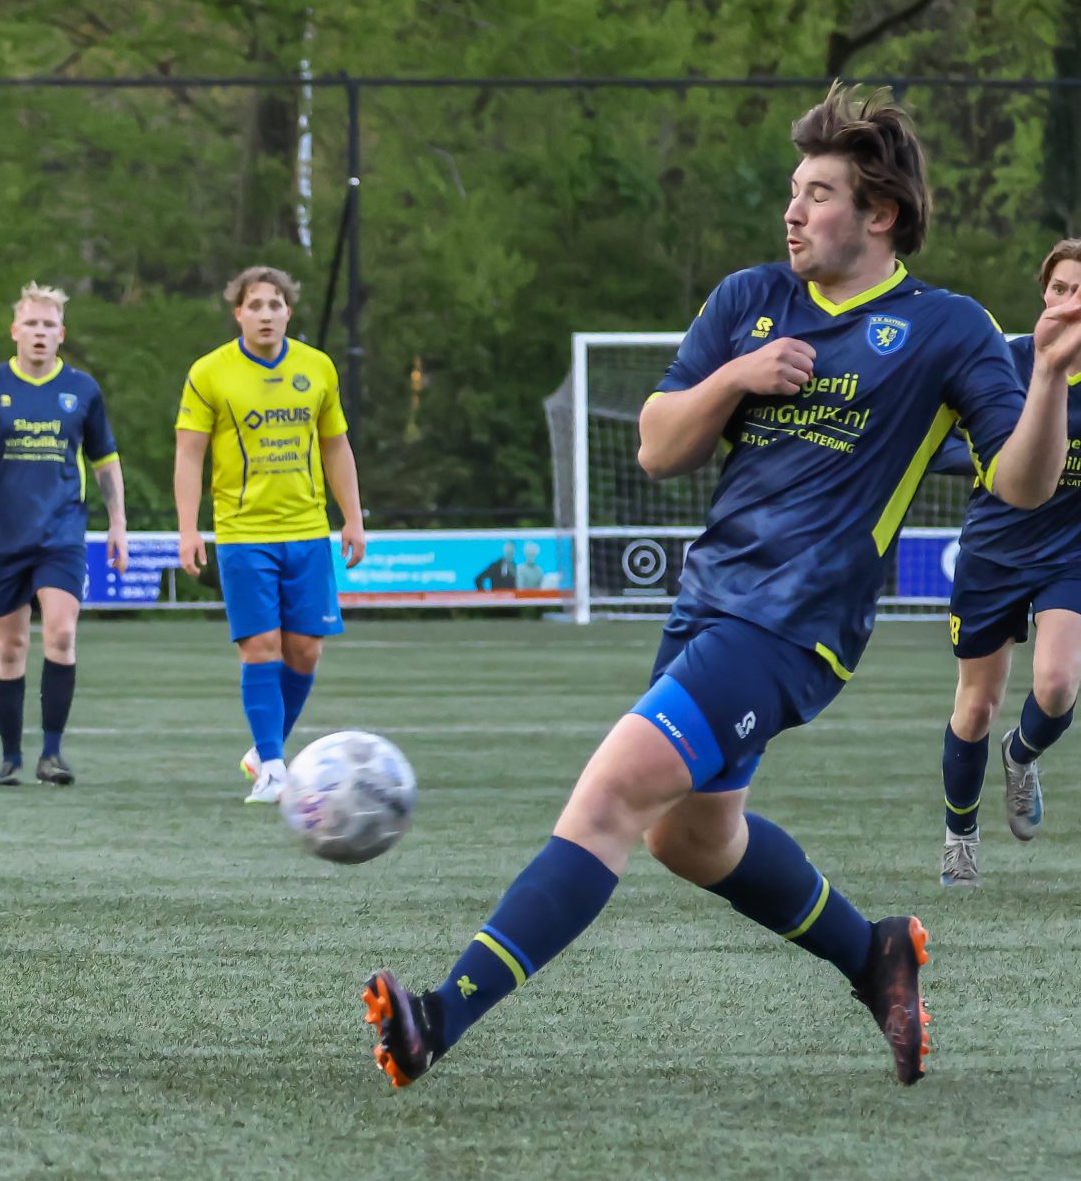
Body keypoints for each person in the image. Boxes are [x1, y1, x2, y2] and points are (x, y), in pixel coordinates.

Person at [361, 83, 1081, 1092]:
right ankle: (871, 951)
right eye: (791, 190)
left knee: (609, 795)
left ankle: (439, 1014)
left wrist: (1047, 377)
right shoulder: (747, 300)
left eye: (817, 193)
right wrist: (733, 379)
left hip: (796, 622)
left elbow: (1021, 480)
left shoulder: (945, 328)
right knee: (691, 838)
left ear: (878, 214)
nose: (791, 210)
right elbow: (657, 446)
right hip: (707, 604)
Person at [173, 266, 366, 804]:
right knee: (261, 647)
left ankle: (264, 749)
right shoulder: (210, 373)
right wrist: (189, 529)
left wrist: (352, 517)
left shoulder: (317, 368)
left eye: (274, 304)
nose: (265, 314)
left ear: (288, 312)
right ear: (238, 312)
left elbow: (336, 446)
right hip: (242, 534)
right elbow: (189, 453)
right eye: (254, 305)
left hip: (308, 531)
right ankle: (275, 768)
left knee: (305, 651)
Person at [935, 238, 1081, 886]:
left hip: (1068, 552)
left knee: (1055, 684)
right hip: (994, 551)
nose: (1069, 303)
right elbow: (935, 439)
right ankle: (960, 831)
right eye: (1060, 289)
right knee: (976, 705)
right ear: (1043, 295)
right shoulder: (1003, 364)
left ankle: (1021, 758)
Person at [0, 282, 126, 785]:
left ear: (61, 333)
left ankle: (52, 754)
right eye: (32, 324)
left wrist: (118, 525)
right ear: (15, 331)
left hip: (63, 532)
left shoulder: (83, 391)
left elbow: (104, 461)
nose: (40, 333)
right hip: (3, 535)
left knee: (62, 633)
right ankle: (10, 757)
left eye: (49, 325)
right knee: (11, 647)